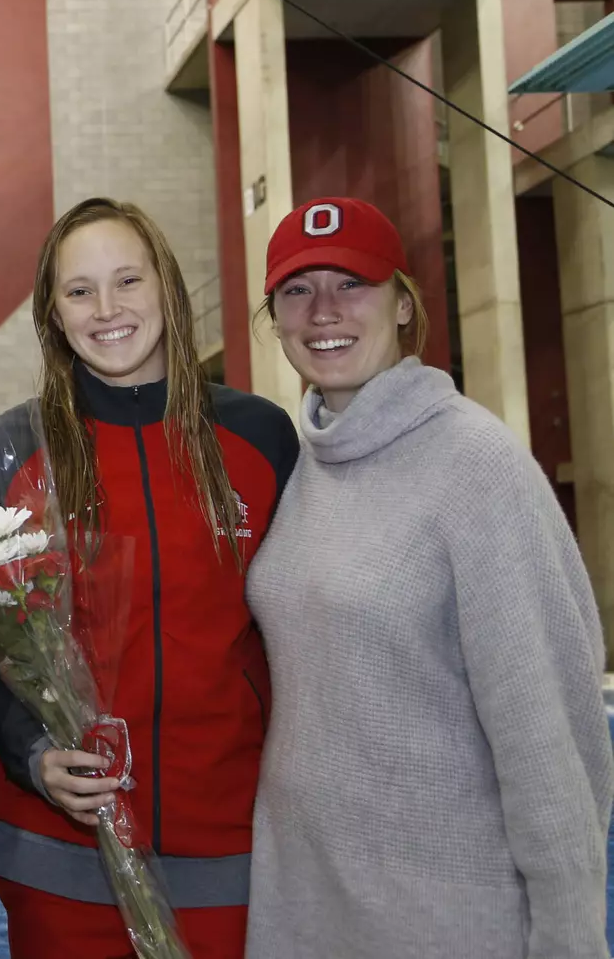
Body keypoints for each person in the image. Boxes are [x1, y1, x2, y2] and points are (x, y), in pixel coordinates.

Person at [245, 197, 614, 958]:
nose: (323, 311)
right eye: (296, 290)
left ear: (405, 304)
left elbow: (549, 740)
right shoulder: (307, 463)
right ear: (274, 320)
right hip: (308, 910)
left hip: (443, 919)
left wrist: (570, 939)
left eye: (352, 284)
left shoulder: (477, 466)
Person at [0, 198, 298, 959]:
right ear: (52, 313)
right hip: (60, 856)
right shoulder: (5, 453)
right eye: (79, 291)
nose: (106, 309)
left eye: (128, 281)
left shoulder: (259, 439)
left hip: (231, 849)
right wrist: (31, 754)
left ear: (167, 289)